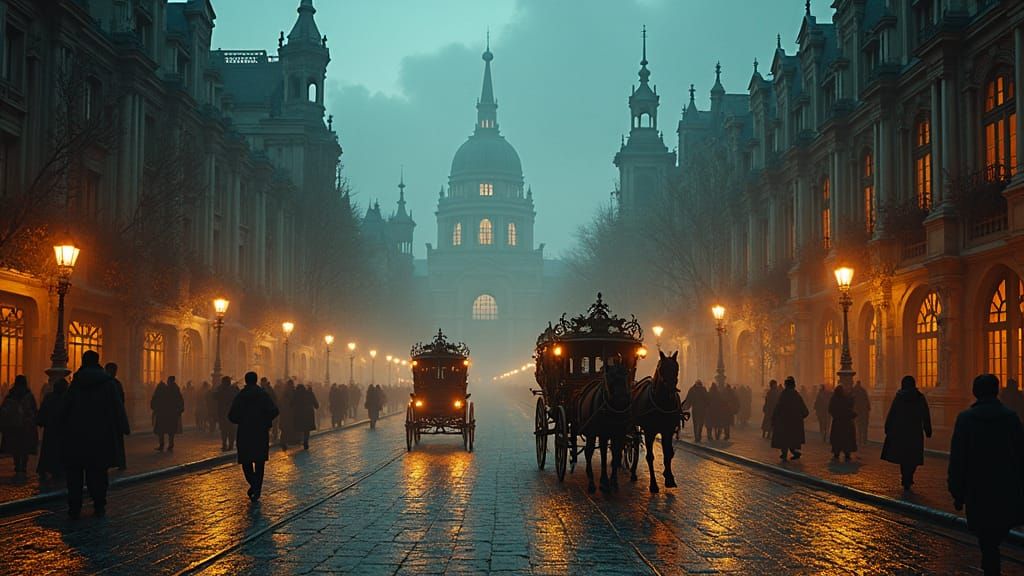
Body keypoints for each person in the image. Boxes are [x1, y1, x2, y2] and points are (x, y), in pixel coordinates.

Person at [948, 374, 1024, 575]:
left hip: (977, 488)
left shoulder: (965, 419)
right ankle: (992, 561)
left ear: (975, 392)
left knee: (986, 536)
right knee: (998, 530)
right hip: (1005, 486)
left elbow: (958, 459)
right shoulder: (1011, 418)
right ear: (996, 391)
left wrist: (957, 492)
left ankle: (990, 562)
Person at [61, 350, 130, 518]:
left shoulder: (76, 383)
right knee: (98, 472)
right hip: (101, 434)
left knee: (75, 473)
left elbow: (65, 408)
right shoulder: (108, 383)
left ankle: (74, 506)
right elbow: (117, 407)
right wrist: (124, 427)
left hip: (76, 435)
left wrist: (61, 428)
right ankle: (99, 504)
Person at [229, 372, 278, 502]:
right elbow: (274, 410)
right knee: (259, 462)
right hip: (260, 432)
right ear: (256, 380)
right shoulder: (263, 395)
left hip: (245, 432)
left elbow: (232, 415)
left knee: (246, 461)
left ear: (246, 380)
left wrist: (242, 420)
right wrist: (265, 420)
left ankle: (253, 483)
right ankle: (257, 487)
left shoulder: (241, 396)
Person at [881, 375, 932, 490]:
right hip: (915, 431)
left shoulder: (899, 397)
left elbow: (892, 413)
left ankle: (905, 476)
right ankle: (909, 475)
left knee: (904, 456)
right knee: (913, 456)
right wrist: (928, 429)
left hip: (902, 431)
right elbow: (925, 414)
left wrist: (887, 427)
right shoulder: (920, 397)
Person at [0, 375, 38, 478]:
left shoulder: (10, 396)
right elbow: (34, 410)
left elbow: (4, 410)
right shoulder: (29, 396)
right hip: (26, 426)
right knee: (24, 447)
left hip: (13, 426)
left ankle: (17, 465)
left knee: (16, 447)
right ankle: (23, 467)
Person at [36, 377, 68, 480]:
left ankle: (45, 469)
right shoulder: (66, 398)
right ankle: (57, 470)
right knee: (59, 450)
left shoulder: (49, 397)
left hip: (51, 428)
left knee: (48, 450)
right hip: (62, 429)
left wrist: (41, 421)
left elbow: (43, 411)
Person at [771, 376, 809, 461]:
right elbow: (805, 411)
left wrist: (774, 418)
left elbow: (778, 408)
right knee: (791, 440)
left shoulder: (783, 395)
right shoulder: (796, 395)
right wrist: (799, 417)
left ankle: (785, 454)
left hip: (784, 422)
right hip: (794, 423)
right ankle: (794, 453)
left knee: (784, 439)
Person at [105, 363, 129, 470]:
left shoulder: (110, 383)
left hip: (110, 418)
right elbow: (121, 402)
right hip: (113, 417)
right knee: (117, 442)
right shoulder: (115, 384)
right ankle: (119, 462)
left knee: (115, 442)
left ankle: (117, 462)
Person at [828, 384, 857, 462]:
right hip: (846, 423)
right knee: (846, 439)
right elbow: (849, 409)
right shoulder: (846, 398)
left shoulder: (834, 399)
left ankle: (836, 453)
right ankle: (846, 453)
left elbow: (830, 409)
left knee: (837, 439)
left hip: (837, 423)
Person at [292, 383, 319, 450]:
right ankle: (305, 441)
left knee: (300, 428)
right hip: (308, 414)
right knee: (307, 430)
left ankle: (300, 440)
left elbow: (291, 403)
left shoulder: (296, 394)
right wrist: (315, 406)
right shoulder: (309, 393)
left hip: (299, 414)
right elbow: (316, 404)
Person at [215, 376, 238, 450]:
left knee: (224, 430)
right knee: (231, 431)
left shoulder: (221, 390)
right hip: (232, 413)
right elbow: (239, 395)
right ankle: (230, 445)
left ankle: (224, 444)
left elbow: (214, 396)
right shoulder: (233, 389)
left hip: (223, 413)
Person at [852, 380, 871, 445]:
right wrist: (868, 408)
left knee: (858, 425)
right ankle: (864, 440)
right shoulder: (863, 391)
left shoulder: (853, 390)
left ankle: (859, 439)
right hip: (864, 411)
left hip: (857, 411)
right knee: (864, 426)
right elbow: (867, 400)